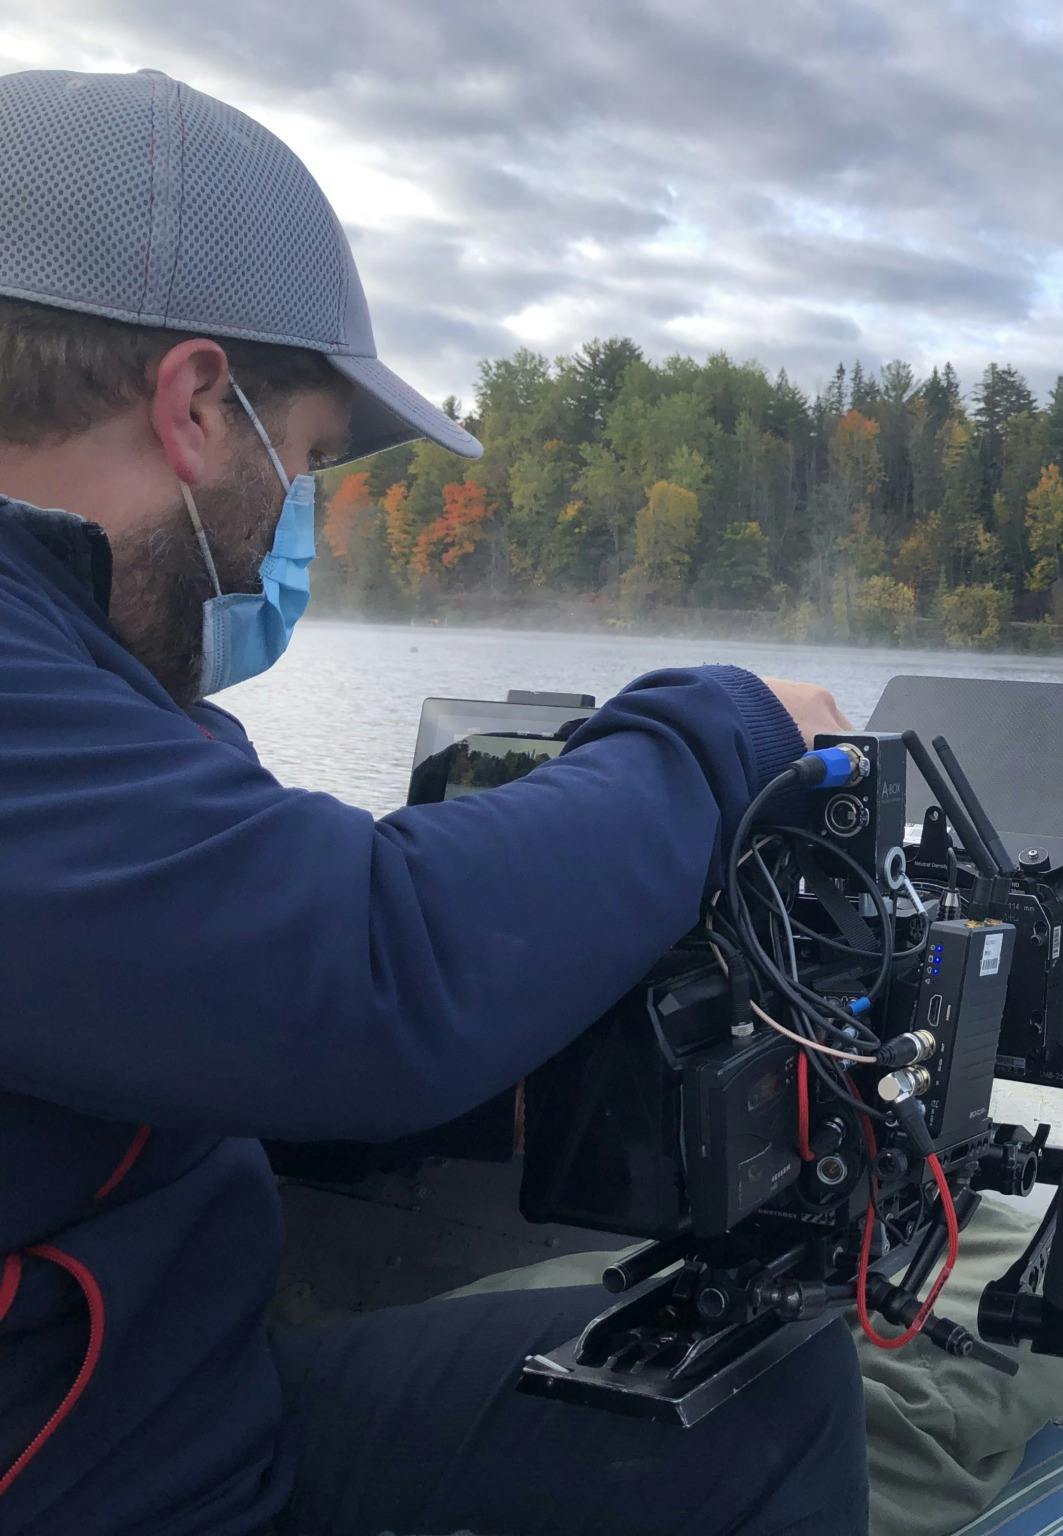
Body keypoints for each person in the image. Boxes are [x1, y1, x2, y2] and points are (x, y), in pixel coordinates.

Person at [0, 69, 866, 1535]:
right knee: (772, 1402)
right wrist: (721, 731)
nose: (299, 519)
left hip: (138, 1408)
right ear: (199, 404)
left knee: (735, 1372)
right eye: (316, 458)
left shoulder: (75, 674)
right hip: (116, 1478)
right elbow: (371, 967)